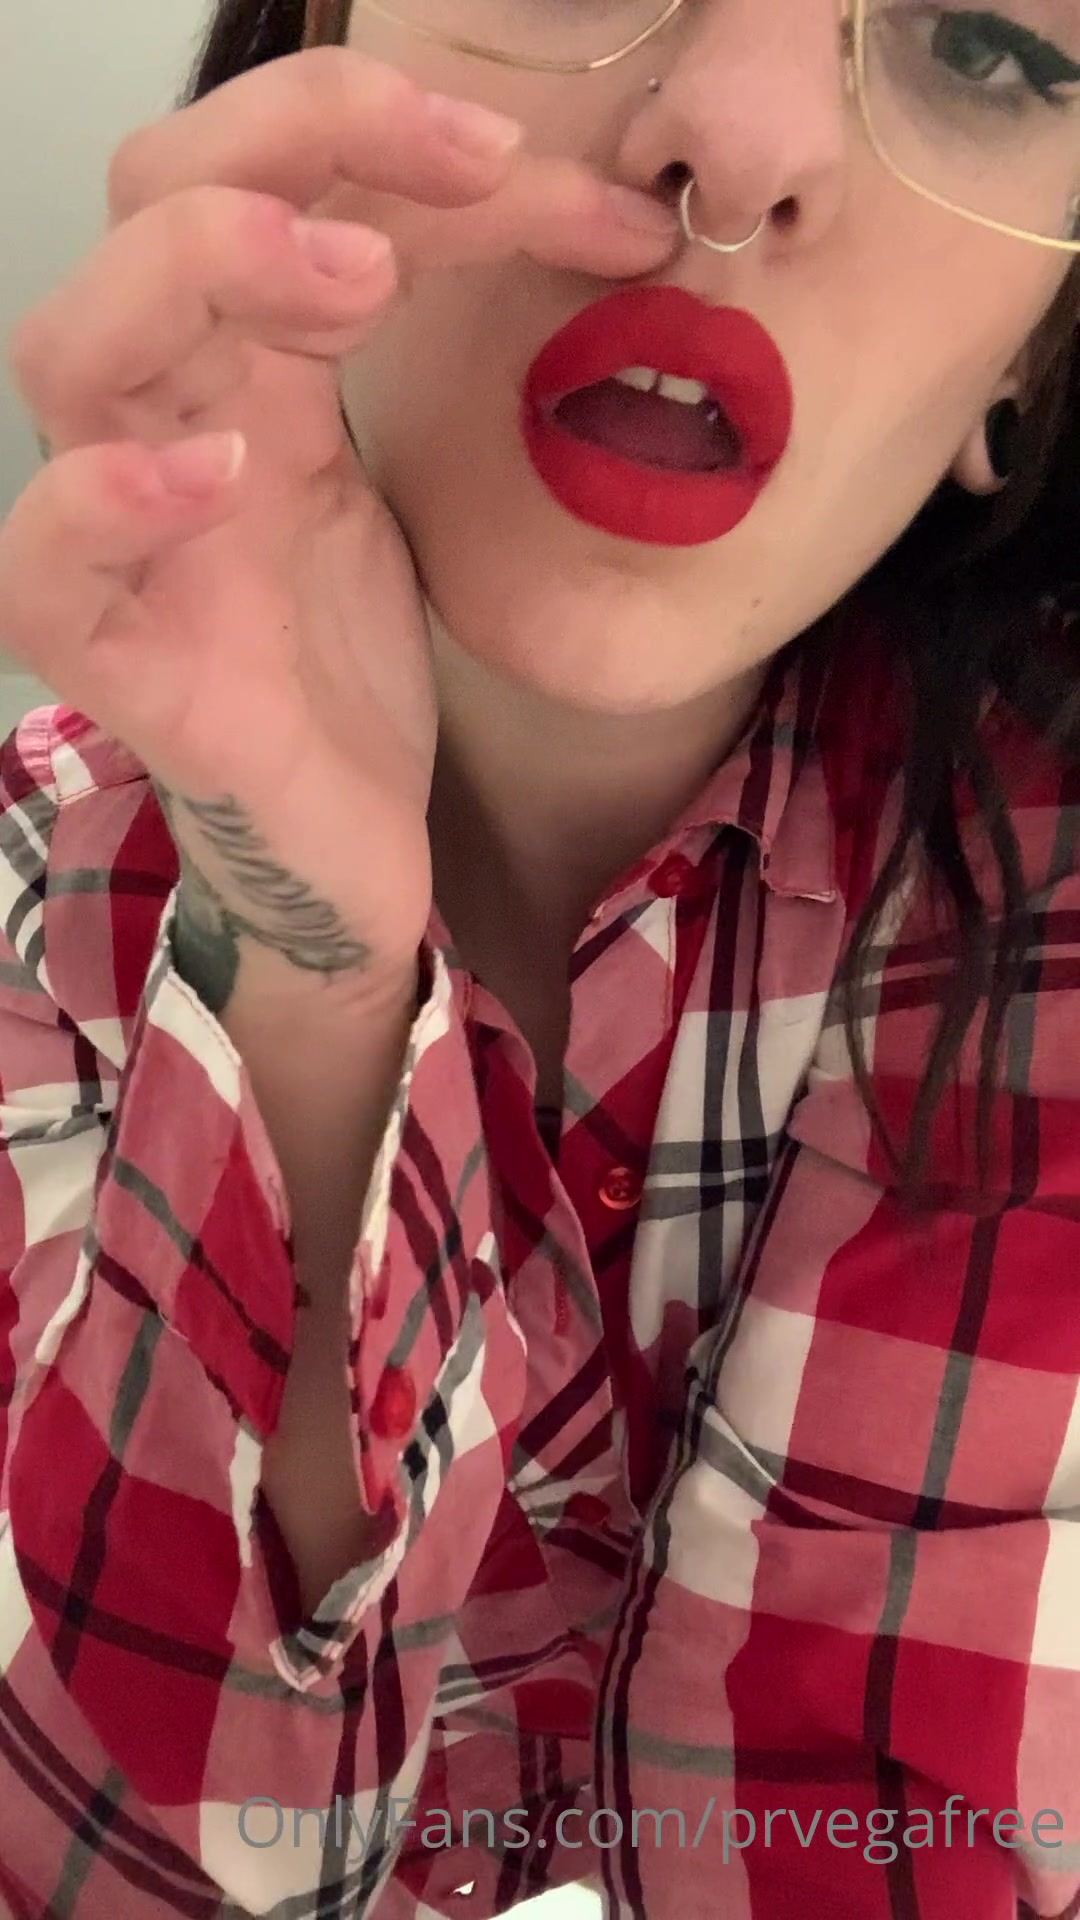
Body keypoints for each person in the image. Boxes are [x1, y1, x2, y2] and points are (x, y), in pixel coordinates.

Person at [0, 0, 1078, 1912]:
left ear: (1032, 357)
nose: (735, 140)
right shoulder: (33, 897)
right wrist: (300, 990)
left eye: (988, 45)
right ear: (319, 49)